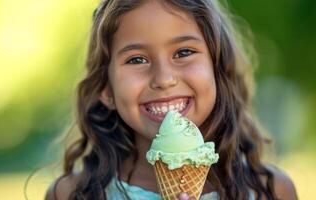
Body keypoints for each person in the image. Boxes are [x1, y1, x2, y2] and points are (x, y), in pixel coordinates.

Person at [46, 0, 298, 199]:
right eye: (136, 59)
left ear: (217, 70)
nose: (164, 79)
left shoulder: (271, 191)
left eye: (184, 52)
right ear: (106, 89)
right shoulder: (71, 194)